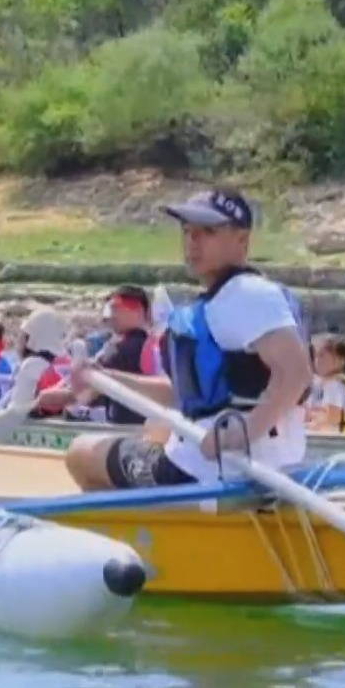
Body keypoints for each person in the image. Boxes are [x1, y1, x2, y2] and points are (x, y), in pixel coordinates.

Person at [64, 187, 313, 490]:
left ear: (242, 240)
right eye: (187, 231)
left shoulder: (247, 293)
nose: (193, 242)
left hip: (209, 469)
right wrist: (106, 379)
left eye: (207, 231)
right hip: (229, 464)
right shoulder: (228, 303)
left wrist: (243, 433)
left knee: (81, 452)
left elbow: (295, 374)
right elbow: (182, 392)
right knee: (152, 433)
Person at [35, 286, 154, 425]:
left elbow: (86, 389)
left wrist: (46, 398)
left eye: (116, 309)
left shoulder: (126, 347)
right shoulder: (149, 343)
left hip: (129, 430)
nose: (111, 316)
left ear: (137, 310)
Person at [307, 335, 345, 431]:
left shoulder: (335, 386)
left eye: (322, 356)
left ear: (338, 360)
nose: (317, 361)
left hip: (331, 441)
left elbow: (332, 420)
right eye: (316, 356)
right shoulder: (322, 383)